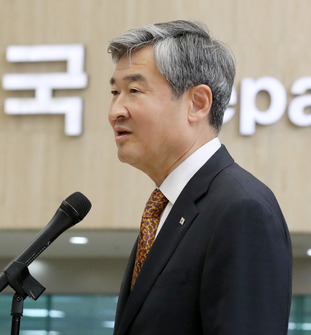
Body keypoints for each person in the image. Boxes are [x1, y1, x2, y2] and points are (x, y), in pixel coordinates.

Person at [107, 20, 292, 334]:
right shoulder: (165, 208)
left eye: (134, 91)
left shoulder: (241, 209)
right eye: (114, 92)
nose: (115, 111)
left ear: (197, 103)